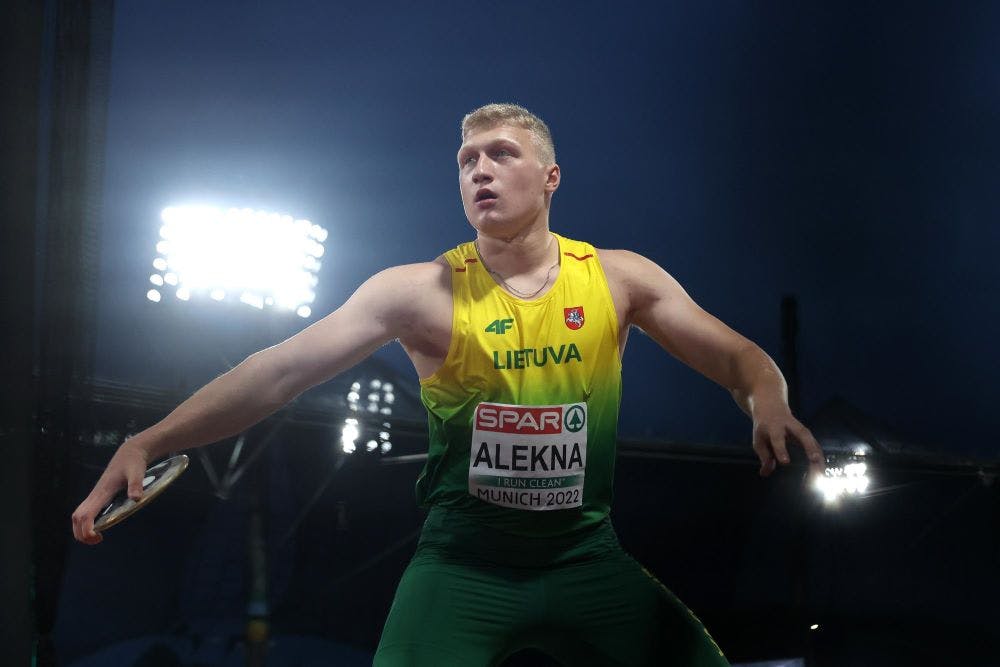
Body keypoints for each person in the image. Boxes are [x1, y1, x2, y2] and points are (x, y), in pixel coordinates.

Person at [73, 103, 825, 665]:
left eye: (501, 154)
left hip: (586, 560)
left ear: (551, 178)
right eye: (467, 160)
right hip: (462, 568)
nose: (479, 170)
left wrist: (768, 403)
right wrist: (151, 438)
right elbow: (278, 370)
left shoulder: (620, 279)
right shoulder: (417, 293)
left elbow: (738, 356)